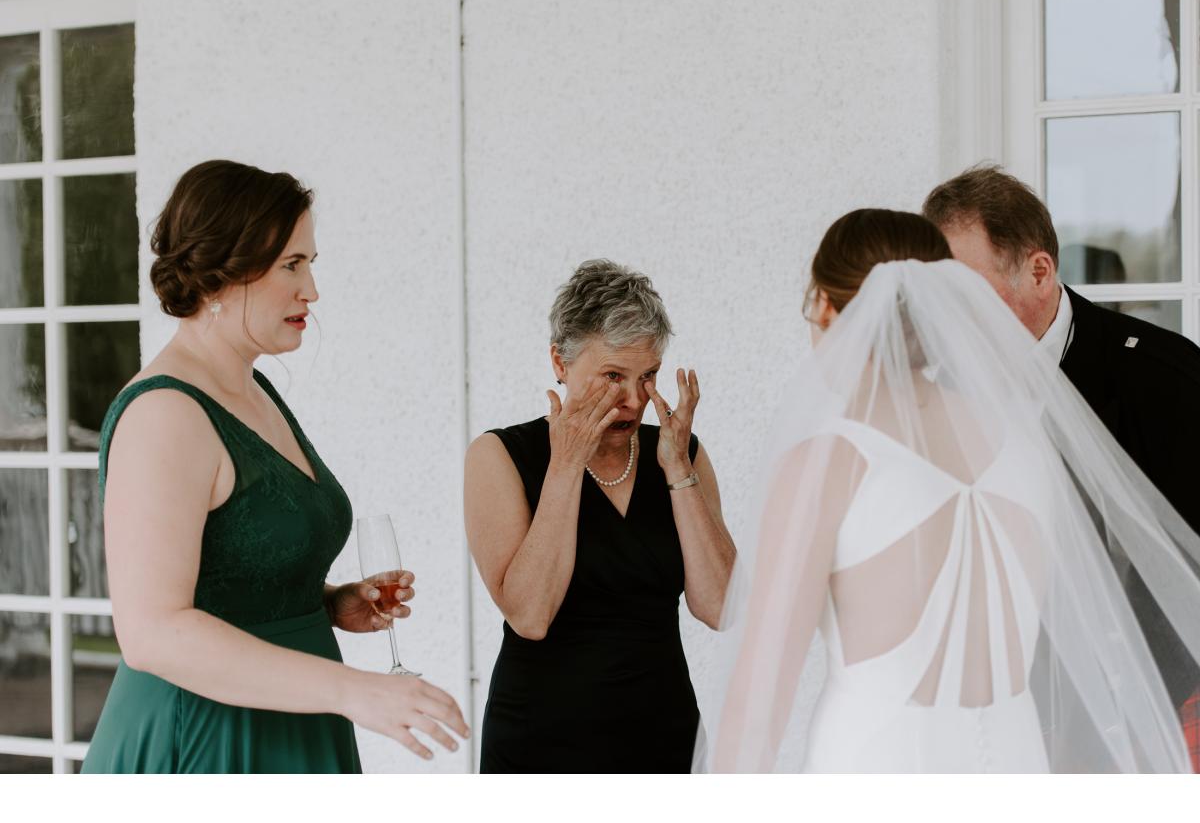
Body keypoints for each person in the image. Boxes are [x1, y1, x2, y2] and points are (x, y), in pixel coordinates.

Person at [696, 209, 1200, 773]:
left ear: (828, 310)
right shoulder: (1024, 441)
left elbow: (757, 703)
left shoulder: (829, 463)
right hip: (1017, 764)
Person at [82, 160, 468, 773]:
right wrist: (355, 691)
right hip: (207, 738)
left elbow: (230, 575)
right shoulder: (164, 414)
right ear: (222, 270)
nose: (311, 290)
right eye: (292, 264)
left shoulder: (253, 390)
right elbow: (152, 632)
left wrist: (327, 603)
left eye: (309, 263)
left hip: (291, 725)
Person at [923, 165, 1200, 767]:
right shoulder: (935, 395)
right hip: (1000, 717)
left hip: (1148, 718)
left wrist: (1138, 709)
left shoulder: (1164, 379)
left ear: (1039, 272)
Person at [465, 259, 736, 772]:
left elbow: (721, 606)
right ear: (560, 362)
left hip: (666, 740)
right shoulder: (498, 456)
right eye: (613, 376)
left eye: (648, 376)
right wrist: (566, 464)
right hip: (541, 746)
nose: (633, 400)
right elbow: (529, 615)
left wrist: (678, 469)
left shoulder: (681, 451)